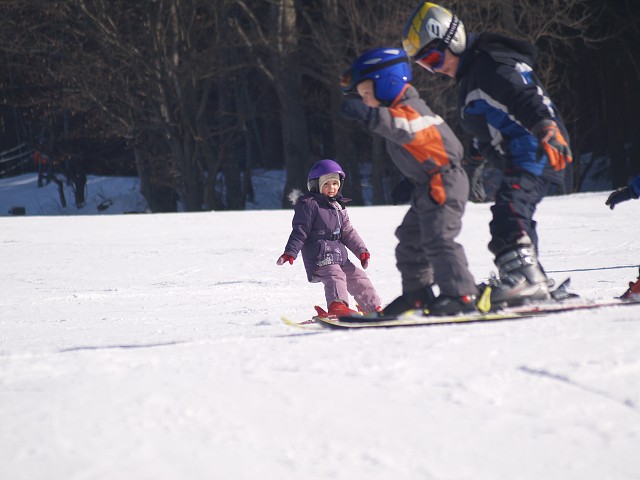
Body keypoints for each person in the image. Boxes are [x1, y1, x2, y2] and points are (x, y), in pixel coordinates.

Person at [402, 3, 573, 307]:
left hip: (536, 150)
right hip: (519, 155)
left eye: (433, 57)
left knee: (508, 216)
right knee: (514, 215)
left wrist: (545, 125)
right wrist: (475, 162)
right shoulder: (474, 72)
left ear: (452, 39)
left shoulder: (490, 65)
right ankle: (532, 277)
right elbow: (492, 124)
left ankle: (526, 279)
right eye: (425, 64)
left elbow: (522, 95)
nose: (434, 67)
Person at [339, 47, 479, 316]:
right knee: (410, 239)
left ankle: (461, 294)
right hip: (428, 183)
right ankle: (417, 294)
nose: (366, 101)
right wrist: (412, 179)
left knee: (439, 238)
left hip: (444, 182)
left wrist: (370, 116)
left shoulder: (410, 111)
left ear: (388, 82)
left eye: (367, 93)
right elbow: (418, 149)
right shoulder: (398, 113)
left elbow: (405, 129)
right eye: (362, 98)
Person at [276, 159, 382, 316]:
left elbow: (348, 232)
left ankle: (372, 308)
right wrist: (290, 252)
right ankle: (337, 307)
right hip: (319, 256)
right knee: (335, 276)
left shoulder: (338, 206)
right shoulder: (308, 204)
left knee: (358, 277)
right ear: (315, 185)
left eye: (335, 183)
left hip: (339, 256)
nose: (331, 188)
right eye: (326, 184)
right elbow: (300, 230)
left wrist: (361, 251)